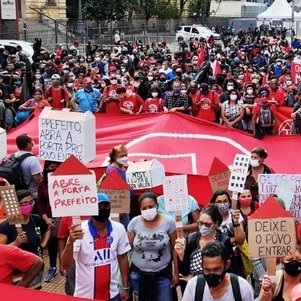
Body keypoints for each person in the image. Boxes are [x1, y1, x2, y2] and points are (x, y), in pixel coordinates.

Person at [60, 193, 131, 301]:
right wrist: (70, 243)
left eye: (106, 206)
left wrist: (125, 287)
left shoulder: (119, 229)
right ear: (91, 210)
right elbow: (65, 264)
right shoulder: (79, 231)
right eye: (99, 206)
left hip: (113, 295)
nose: (103, 209)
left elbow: (123, 258)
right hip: (85, 296)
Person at [127, 191, 179, 301]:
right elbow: (127, 249)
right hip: (138, 275)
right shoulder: (134, 223)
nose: (148, 210)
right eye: (144, 208)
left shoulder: (169, 222)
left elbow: (175, 248)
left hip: (163, 274)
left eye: (150, 207)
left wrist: (176, 273)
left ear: (157, 206)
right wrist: (125, 277)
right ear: (140, 209)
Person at [0, 189, 47, 289]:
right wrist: (16, 243)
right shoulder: (5, 226)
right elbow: (1, 251)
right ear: (16, 205)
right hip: (17, 276)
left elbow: (47, 230)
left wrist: (43, 243)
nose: (28, 205)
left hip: (35, 272)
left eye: (30, 202)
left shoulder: (36, 219)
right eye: (24, 203)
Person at [182, 241, 254, 301]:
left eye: (216, 269)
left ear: (227, 265)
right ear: (201, 265)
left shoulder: (242, 288)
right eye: (207, 270)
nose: (211, 274)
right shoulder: (193, 286)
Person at [37, 160, 61, 282]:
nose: (53, 171)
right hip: (51, 219)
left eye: (56, 168)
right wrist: (46, 218)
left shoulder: (66, 180)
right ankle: (52, 267)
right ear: (46, 168)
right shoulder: (42, 184)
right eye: (51, 168)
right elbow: (40, 202)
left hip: (65, 218)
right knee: (52, 244)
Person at [103, 144, 131, 229]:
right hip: (119, 210)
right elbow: (113, 193)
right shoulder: (112, 170)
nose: (125, 157)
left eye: (126, 155)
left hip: (125, 207)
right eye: (122, 156)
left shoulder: (122, 168)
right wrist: (120, 210)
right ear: (115, 157)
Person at [14, 134, 42, 201]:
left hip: (19, 193)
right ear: (28, 144)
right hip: (32, 195)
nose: (33, 143)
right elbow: (38, 180)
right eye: (31, 142)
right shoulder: (32, 159)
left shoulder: (14, 156)